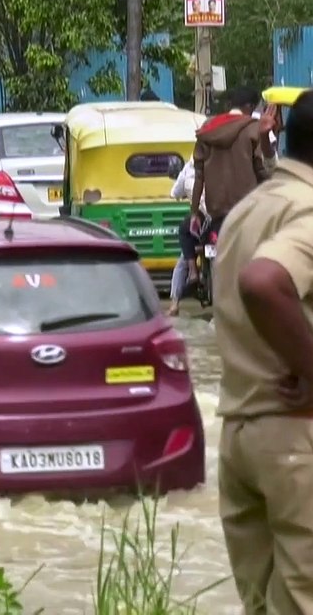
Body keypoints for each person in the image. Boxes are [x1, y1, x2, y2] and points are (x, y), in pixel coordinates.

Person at [214, 89, 313, 613]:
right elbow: (264, 281)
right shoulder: (308, 211)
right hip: (298, 433)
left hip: (239, 436)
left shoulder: (249, 209)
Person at [190, 87, 272, 285]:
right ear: (249, 107)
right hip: (247, 207)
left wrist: (194, 211)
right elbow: (260, 169)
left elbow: (198, 175)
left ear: (230, 105)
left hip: (216, 207)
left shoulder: (208, 128)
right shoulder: (252, 128)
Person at [169, 156, 207, 316]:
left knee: (183, 259)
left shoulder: (188, 169)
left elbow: (175, 193)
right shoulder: (222, 163)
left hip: (202, 220)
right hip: (220, 219)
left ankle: (174, 304)